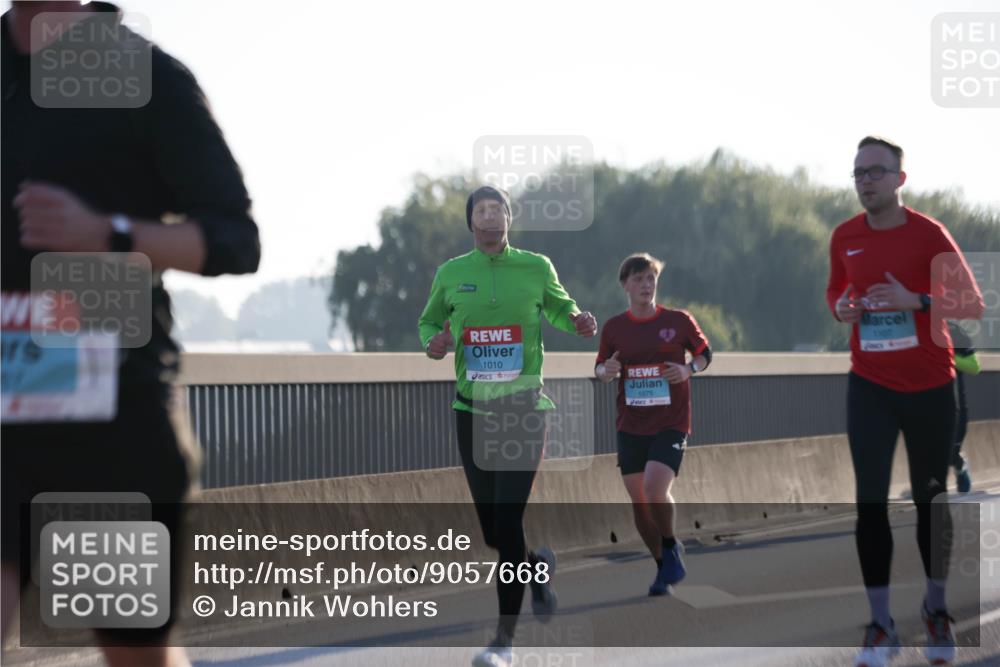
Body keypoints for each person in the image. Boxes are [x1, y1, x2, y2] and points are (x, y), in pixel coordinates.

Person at [1, 3, 261, 666]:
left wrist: (107, 233)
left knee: (135, 655)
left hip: (109, 422)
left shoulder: (144, 76)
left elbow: (236, 239)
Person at [418, 185, 597, 667]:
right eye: (481, 210)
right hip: (471, 413)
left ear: (508, 219)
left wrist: (578, 321)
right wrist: (434, 343)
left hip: (523, 412)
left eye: (498, 209)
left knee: (509, 521)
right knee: (495, 535)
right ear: (471, 222)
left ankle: (503, 642)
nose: (490, 216)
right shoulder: (451, 273)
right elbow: (428, 323)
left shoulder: (536, 267)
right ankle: (537, 568)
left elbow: (560, 308)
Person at [827, 136, 983, 667]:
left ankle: (936, 610)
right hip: (869, 384)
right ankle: (881, 626)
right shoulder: (845, 236)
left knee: (930, 500)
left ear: (900, 179)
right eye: (858, 173)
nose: (866, 181)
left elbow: (972, 303)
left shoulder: (928, 234)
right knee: (869, 502)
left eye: (876, 171)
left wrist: (915, 299)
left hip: (930, 387)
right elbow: (835, 291)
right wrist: (842, 308)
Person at [594, 253, 710, 596]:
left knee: (655, 488)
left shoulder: (678, 320)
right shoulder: (615, 328)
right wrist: (606, 372)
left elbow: (705, 354)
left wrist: (689, 369)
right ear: (625, 285)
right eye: (639, 279)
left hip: (671, 421)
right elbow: (600, 369)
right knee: (640, 503)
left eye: (651, 278)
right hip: (631, 424)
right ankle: (663, 566)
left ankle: (670, 544)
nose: (646, 285)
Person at [947, 321, 981, 493]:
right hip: (921, 399)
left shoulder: (955, 331)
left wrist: (947, 356)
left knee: (949, 452)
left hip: (954, 402)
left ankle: (959, 464)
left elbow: (974, 367)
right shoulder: (910, 328)